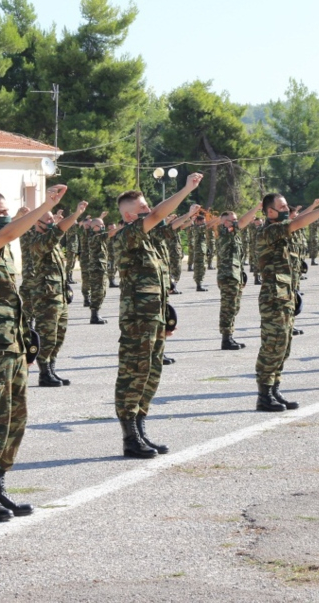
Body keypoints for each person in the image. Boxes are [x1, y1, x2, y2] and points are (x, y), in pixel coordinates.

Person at [0, 184, 66, 522]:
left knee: (14, 421)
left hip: (12, 347)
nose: (7, 217)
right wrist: (44, 205)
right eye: (2, 212)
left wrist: (25, 344)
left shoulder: (2, 247)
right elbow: (8, 233)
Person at [113, 173, 205, 457]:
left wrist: (166, 316)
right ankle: (130, 438)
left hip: (154, 317)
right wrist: (186, 189)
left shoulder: (150, 238)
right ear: (130, 215)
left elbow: (170, 225)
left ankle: (141, 430)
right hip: (137, 320)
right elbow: (158, 214)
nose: (148, 210)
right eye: (142, 208)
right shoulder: (127, 235)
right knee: (134, 375)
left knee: (151, 374)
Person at [255, 193, 319, 412]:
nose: (287, 208)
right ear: (270, 212)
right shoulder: (268, 231)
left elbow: (297, 223)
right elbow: (298, 221)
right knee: (272, 346)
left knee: (283, 346)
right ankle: (264, 395)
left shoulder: (286, 231)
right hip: (273, 299)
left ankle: (274, 389)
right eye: (283, 206)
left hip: (286, 296)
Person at [27, 200, 89, 386]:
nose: (52, 221)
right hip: (46, 297)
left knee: (58, 336)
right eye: (48, 219)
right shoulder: (38, 242)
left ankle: (52, 369)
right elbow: (58, 231)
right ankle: (44, 373)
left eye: (52, 218)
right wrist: (76, 214)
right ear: (37, 223)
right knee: (47, 336)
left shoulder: (52, 243)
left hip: (58, 296)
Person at [216, 204, 260, 351]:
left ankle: (229, 336)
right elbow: (242, 223)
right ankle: (225, 339)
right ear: (224, 222)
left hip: (234, 276)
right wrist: (256, 208)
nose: (235, 222)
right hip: (227, 276)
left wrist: (242, 276)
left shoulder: (233, 235)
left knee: (234, 307)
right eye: (232, 220)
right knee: (228, 308)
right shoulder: (224, 232)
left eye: (235, 219)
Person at [85, 214, 111, 324]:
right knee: (97, 292)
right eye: (100, 225)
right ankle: (94, 316)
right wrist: (122, 227)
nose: (103, 226)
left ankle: (96, 314)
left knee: (102, 292)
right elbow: (109, 234)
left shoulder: (98, 236)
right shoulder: (94, 237)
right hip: (96, 269)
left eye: (103, 224)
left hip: (101, 269)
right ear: (94, 227)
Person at [189, 214, 209, 291]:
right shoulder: (197, 228)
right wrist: (218, 219)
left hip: (201, 250)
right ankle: (198, 285)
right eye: (203, 222)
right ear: (198, 222)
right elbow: (208, 225)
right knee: (199, 268)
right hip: (199, 251)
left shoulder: (199, 228)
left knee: (202, 267)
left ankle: (199, 284)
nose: (204, 223)